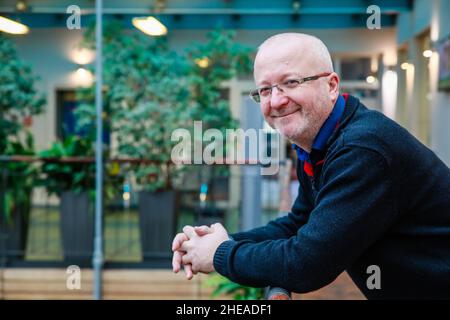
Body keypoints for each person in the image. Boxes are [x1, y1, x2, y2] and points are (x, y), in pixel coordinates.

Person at [172, 33, 450, 299]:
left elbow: (307, 264)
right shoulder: (319, 142)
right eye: (265, 90)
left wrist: (221, 253)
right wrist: (218, 240)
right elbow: (300, 223)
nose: (276, 100)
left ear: (331, 85)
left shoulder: (362, 149)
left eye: (291, 82)